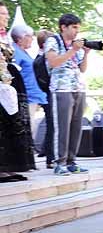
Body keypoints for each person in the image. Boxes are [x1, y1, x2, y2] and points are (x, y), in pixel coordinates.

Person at [44, 13, 90, 176]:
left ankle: (72, 161)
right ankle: (59, 162)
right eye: (74, 27)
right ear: (64, 27)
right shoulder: (53, 40)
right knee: (62, 126)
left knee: (76, 126)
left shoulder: (75, 45)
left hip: (78, 88)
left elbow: (82, 68)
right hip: (61, 88)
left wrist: (85, 53)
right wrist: (73, 49)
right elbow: (53, 62)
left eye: (78, 27)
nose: (77, 31)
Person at [0, 23, 35, 181]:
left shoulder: (5, 37)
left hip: (9, 83)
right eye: (2, 14)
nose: (5, 18)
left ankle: (10, 166)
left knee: (12, 126)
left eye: (6, 14)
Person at [10, 24, 46, 142]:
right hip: (26, 96)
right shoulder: (15, 52)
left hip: (33, 95)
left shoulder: (23, 52)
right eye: (30, 36)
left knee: (31, 128)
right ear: (21, 38)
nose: (32, 39)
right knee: (27, 128)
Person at [34, 30, 54, 167]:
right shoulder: (39, 61)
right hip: (47, 95)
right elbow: (43, 81)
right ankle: (50, 156)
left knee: (52, 125)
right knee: (52, 125)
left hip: (49, 94)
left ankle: (47, 151)